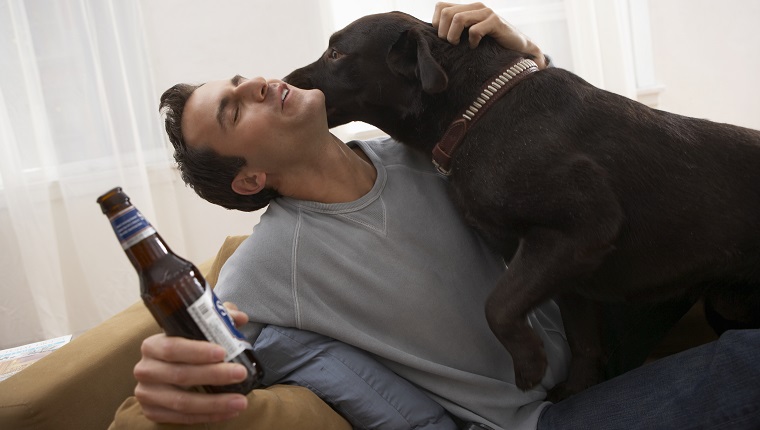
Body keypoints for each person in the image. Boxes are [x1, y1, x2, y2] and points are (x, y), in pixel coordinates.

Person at [112, 3, 760, 429]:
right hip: (546, 417)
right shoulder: (266, 269)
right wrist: (168, 394)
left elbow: (582, 158)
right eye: (234, 110)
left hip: (602, 337)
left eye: (238, 79)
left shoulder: (434, 151)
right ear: (250, 177)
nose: (255, 83)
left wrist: (520, 59)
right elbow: (212, 361)